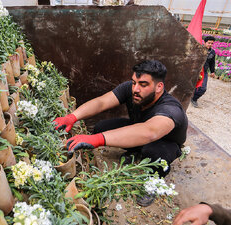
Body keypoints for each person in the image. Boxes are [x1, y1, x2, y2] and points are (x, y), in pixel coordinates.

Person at [53, 60, 188, 206]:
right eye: (134, 82)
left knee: (153, 150)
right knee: (101, 127)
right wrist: (72, 117)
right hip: (140, 129)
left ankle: (153, 183)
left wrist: (98, 140)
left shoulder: (171, 109)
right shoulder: (131, 89)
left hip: (165, 143)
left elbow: (150, 132)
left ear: (159, 87)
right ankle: (136, 150)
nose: (135, 89)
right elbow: (102, 102)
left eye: (143, 85)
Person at [191, 36, 216, 108]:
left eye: (212, 43)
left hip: (203, 72)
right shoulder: (198, 50)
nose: (210, 44)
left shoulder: (212, 52)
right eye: (209, 43)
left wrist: (212, 71)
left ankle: (194, 98)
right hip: (194, 70)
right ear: (204, 42)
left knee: (202, 88)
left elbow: (212, 63)